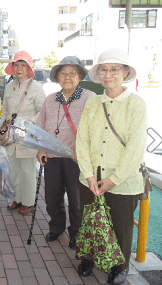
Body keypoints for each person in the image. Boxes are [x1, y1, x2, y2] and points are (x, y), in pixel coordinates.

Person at [76, 48, 147, 284]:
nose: (109, 75)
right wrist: (87, 174)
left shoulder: (136, 104)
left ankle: (119, 267)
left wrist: (114, 179)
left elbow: (135, 148)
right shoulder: (93, 103)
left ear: (125, 72)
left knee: (121, 225)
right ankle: (89, 258)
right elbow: (82, 141)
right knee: (89, 220)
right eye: (104, 69)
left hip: (123, 180)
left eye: (115, 69)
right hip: (91, 177)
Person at [35, 56, 96, 249]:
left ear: (80, 77)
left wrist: (83, 153)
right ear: (57, 77)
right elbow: (40, 126)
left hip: (76, 159)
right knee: (52, 196)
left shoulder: (89, 98)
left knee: (77, 201)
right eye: (63, 73)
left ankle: (76, 234)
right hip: (52, 157)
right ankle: (56, 227)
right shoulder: (50, 99)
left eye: (72, 73)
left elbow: (95, 130)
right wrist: (40, 148)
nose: (67, 77)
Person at [1, 51, 46, 215]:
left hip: (28, 136)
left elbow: (43, 111)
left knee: (27, 171)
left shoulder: (36, 87)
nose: (19, 68)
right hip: (11, 136)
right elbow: (5, 109)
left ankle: (29, 201)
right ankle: (18, 198)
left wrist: (29, 125)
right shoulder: (10, 86)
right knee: (15, 169)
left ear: (29, 68)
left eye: (23, 65)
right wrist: (2, 129)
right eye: (16, 64)